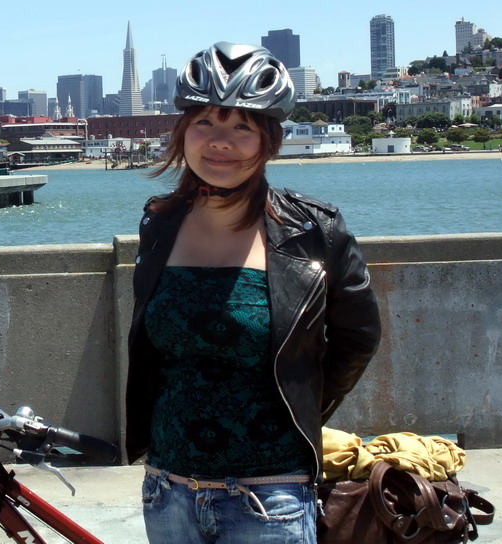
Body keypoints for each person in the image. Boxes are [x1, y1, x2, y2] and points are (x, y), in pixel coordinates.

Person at [126, 42, 381, 544]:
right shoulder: (159, 224)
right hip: (167, 489)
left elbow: (359, 338)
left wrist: (298, 411)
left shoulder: (314, 231)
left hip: (271, 495)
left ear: (268, 141)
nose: (221, 142)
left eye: (242, 127)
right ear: (183, 133)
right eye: (206, 124)